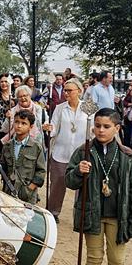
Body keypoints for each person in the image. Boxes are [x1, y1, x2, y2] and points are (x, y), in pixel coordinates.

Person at [66, 108, 132, 265]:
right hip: (92, 214)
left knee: (116, 257)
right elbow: (69, 181)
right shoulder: (83, 152)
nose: (100, 130)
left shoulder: (126, 156)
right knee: (94, 256)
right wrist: (78, 171)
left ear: (117, 128)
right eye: (97, 126)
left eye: (106, 126)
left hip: (118, 216)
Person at [45, 78, 88, 221]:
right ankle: (53, 212)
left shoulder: (89, 107)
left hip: (81, 154)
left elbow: (94, 128)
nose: (66, 93)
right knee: (57, 184)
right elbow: (54, 128)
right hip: (60, 153)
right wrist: (49, 129)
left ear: (79, 91)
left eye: (69, 90)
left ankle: (80, 213)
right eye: (65, 90)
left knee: (83, 185)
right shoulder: (60, 108)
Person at [0, 110, 46, 204]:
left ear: (31, 127)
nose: (19, 126)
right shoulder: (7, 146)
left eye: (24, 123)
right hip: (8, 192)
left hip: (28, 196)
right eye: (16, 122)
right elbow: (3, 166)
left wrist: (29, 189)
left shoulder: (36, 147)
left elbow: (41, 171)